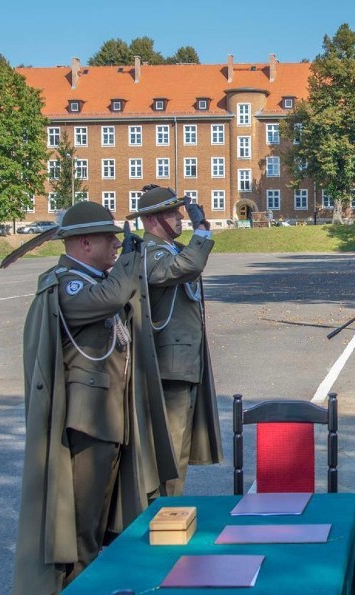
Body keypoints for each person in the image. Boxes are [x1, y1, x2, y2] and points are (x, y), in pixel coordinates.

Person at [14, 202, 176, 593]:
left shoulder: (96, 279)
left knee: (102, 519)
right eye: (109, 239)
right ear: (84, 243)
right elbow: (110, 298)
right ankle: (75, 587)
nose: (117, 246)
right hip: (88, 424)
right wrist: (132, 262)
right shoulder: (67, 283)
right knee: (81, 528)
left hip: (110, 419)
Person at [127, 185, 222, 496]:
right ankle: (165, 512)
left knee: (179, 445)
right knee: (171, 447)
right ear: (153, 220)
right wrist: (201, 230)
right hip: (171, 364)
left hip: (184, 361)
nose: (180, 217)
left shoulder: (170, 250)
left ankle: (170, 508)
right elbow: (189, 266)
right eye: (172, 213)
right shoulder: (152, 254)